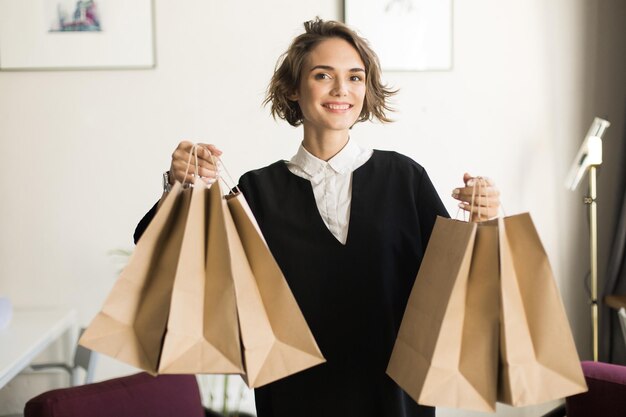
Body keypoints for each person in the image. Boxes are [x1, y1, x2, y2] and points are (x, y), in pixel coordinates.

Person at [135, 18, 499, 417]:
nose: (342, 89)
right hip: (293, 398)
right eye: (323, 75)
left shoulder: (404, 178)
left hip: (393, 398)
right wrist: (179, 186)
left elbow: (458, 287)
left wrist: (484, 219)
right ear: (293, 87)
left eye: (355, 77)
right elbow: (165, 256)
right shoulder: (256, 190)